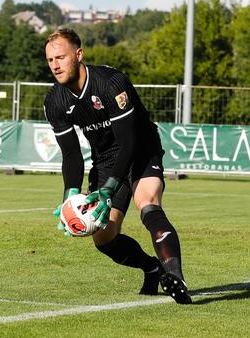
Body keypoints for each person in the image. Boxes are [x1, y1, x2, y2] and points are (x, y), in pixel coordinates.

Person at [44, 28, 191, 305]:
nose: (55, 65)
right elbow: (71, 155)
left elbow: (129, 141)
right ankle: (153, 268)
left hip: (141, 149)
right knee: (103, 236)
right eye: (50, 60)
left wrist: (109, 188)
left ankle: (176, 277)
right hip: (105, 160)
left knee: (147, 203)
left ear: (79, 54)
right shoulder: (55, 100)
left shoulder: (112, 83)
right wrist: (70, 196)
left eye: (61, 57)